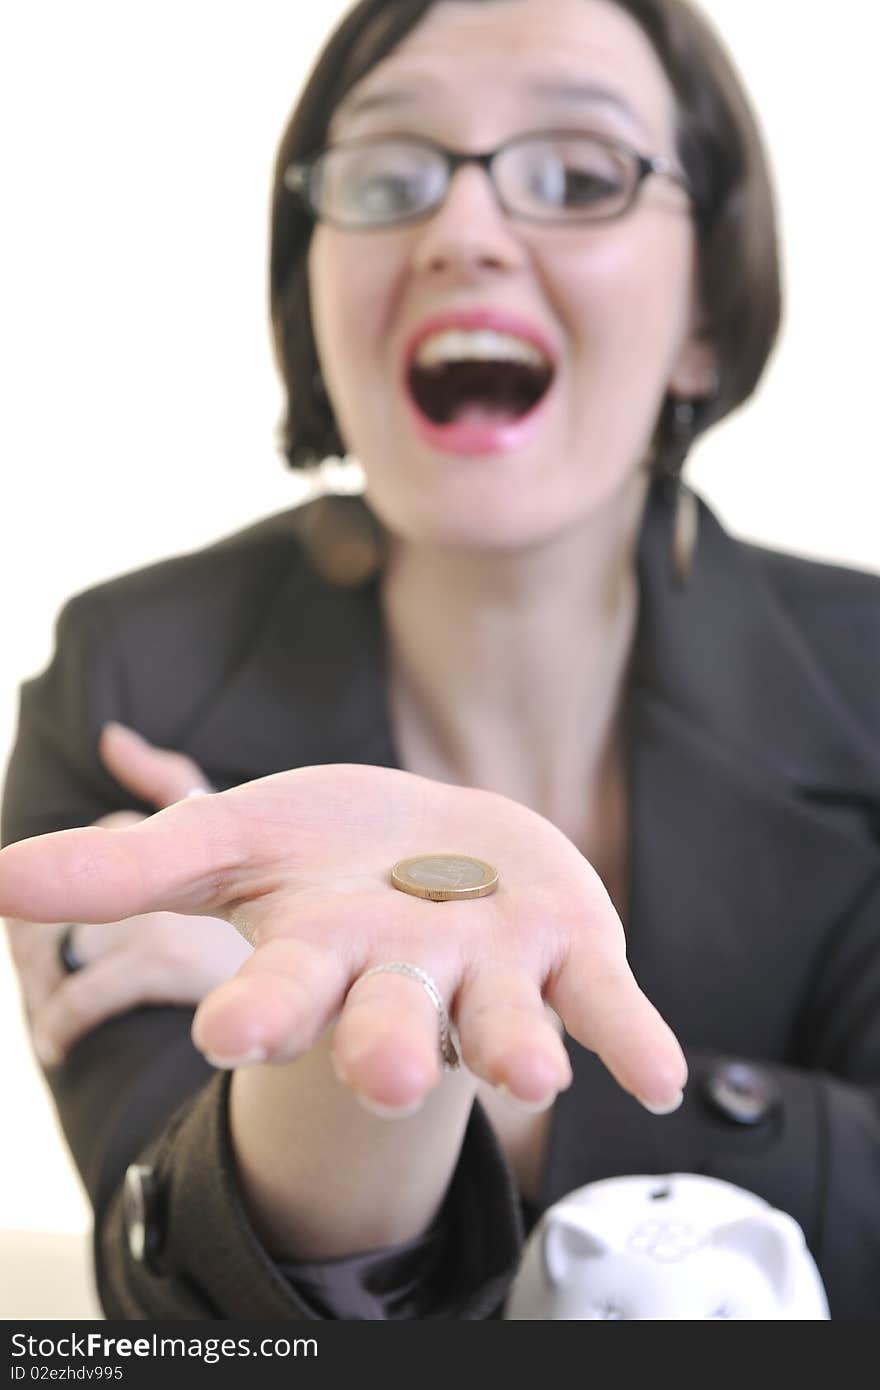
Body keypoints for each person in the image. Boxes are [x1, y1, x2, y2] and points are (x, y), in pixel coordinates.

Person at [2, 0, 879, 1321]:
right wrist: (326, 1064)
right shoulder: (132, 680)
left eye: (580, 175)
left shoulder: (870, 679)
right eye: (390, 174)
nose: (461, 231)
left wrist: (509, 1093)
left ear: (707, 304)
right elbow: (185, 1319)